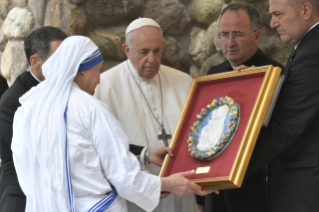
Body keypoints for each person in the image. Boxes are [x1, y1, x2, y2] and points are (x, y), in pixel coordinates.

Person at [11, 36, 208, 212]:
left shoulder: (30, 107)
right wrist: (169, 183)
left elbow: (75, 160)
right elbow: (124, 177)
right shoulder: (91, 109)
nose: (98, 80)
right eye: (97, 71)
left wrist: (143, 157)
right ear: (80, 71)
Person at [95, 18, 198, 212]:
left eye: (157, 51)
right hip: (136, 199)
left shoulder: (184, 82)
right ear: (127, 50)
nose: (152, 59)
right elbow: (104, 151)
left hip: (181, 193)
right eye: (143, 52)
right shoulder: (104, 87)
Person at [198, 4, 285, 212]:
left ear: (257, 36)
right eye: (224, 34)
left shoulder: (276, 75)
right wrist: (200, 201)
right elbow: (202, 135)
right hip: (215, 193)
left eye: (237, 34)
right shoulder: (212, 75)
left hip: (257, 190)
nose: (229, 43)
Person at [244, 0, 319, 211]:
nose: (273, 23)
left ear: (305, 10)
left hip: (306, 190)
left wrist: (227, 170)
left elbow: (285, 127)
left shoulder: (313, 54)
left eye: (278, 14)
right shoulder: (307, 47)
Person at [0, 26, 67, 212]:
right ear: (36, 61)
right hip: (21, 197)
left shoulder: (61, 88)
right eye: (59, 60)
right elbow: (37, 151)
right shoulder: (13, 101)